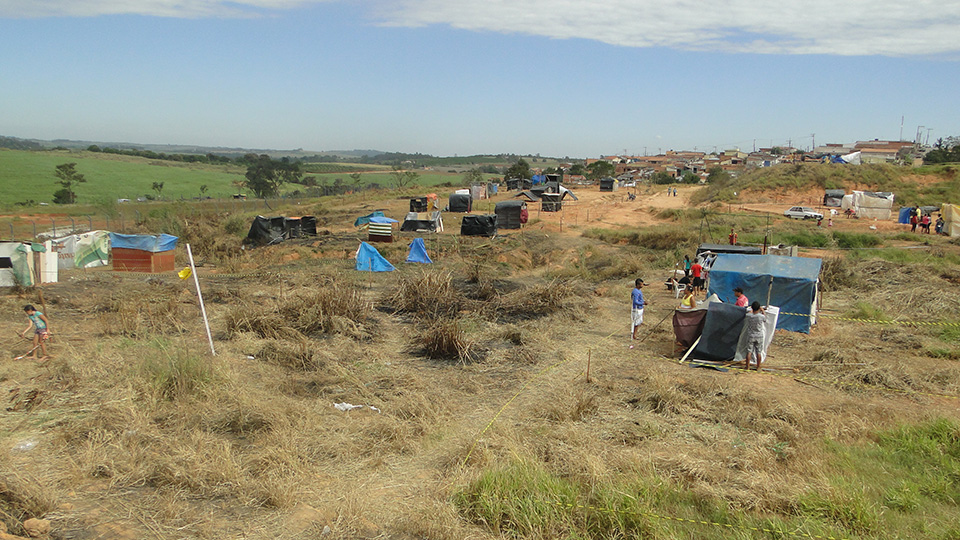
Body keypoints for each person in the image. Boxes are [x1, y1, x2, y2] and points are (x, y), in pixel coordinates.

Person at [744, 301, 766, 370]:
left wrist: (751, 310)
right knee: (759, 352)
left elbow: (748, 314)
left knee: (749, 351)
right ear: (759, 308)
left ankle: (747, 366)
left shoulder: (749, 316)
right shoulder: (761, 316)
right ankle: (758, 367)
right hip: (759, 335)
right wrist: (762, 310)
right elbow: (765, 319)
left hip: (751, 335)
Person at [630, 278, 648, 344]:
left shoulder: (639, 291)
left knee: (639, 322)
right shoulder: (635, 292)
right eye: (641, 284)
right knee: (635, 322)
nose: (642, 285)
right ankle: (633, 335)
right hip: (636, 309)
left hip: (640, 308)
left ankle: (635, 334)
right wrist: (643, 303)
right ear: (637, 285)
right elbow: (635, 301)